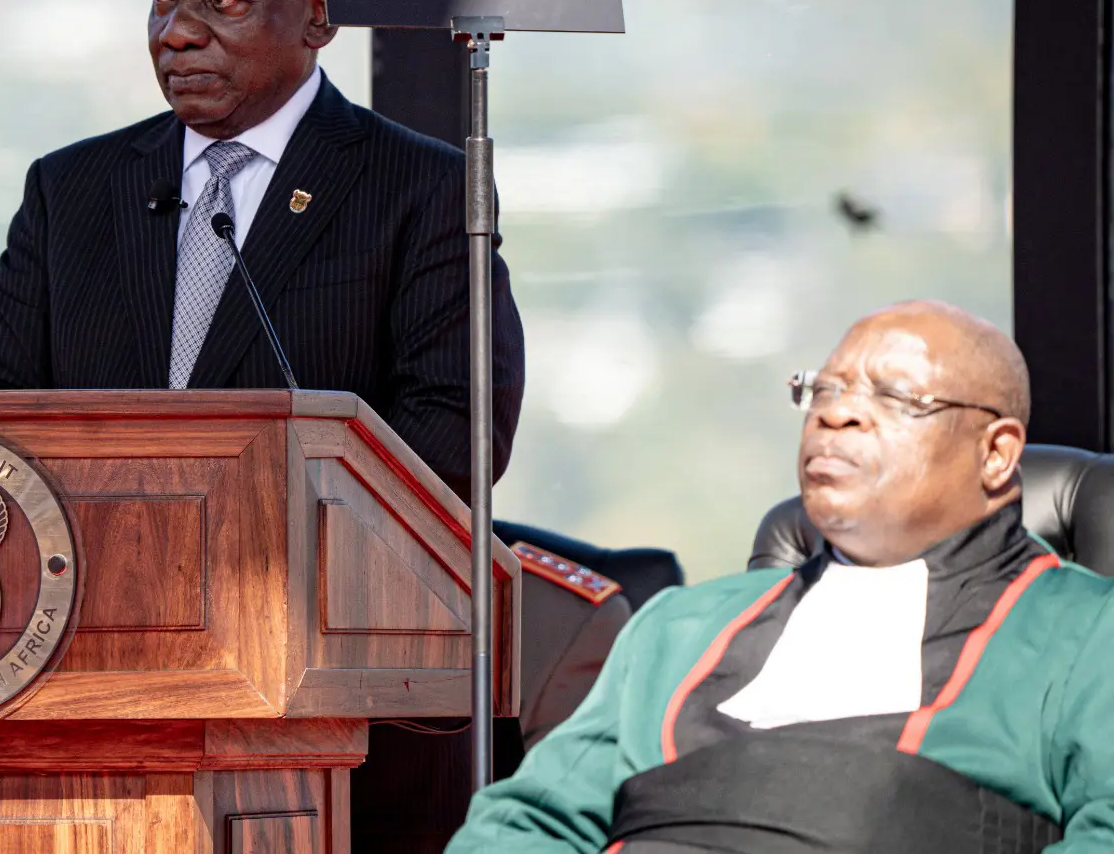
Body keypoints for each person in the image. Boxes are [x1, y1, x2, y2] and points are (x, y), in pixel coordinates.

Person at [449, 300, 1114, 853]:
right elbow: (527, 823)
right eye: (824, 390)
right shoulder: (678, 628)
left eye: (892, 397)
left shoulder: (1086, 634)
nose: (834, 414)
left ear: (996, 454)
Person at [0, 0, 524, 499]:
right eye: (163, 0)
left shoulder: (420, 187)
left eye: (220, 1)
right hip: (97, 573)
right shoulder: (68, 190)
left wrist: (249, 516)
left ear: (318, 18)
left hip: (309, 577)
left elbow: (456, 435)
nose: (176, 32)